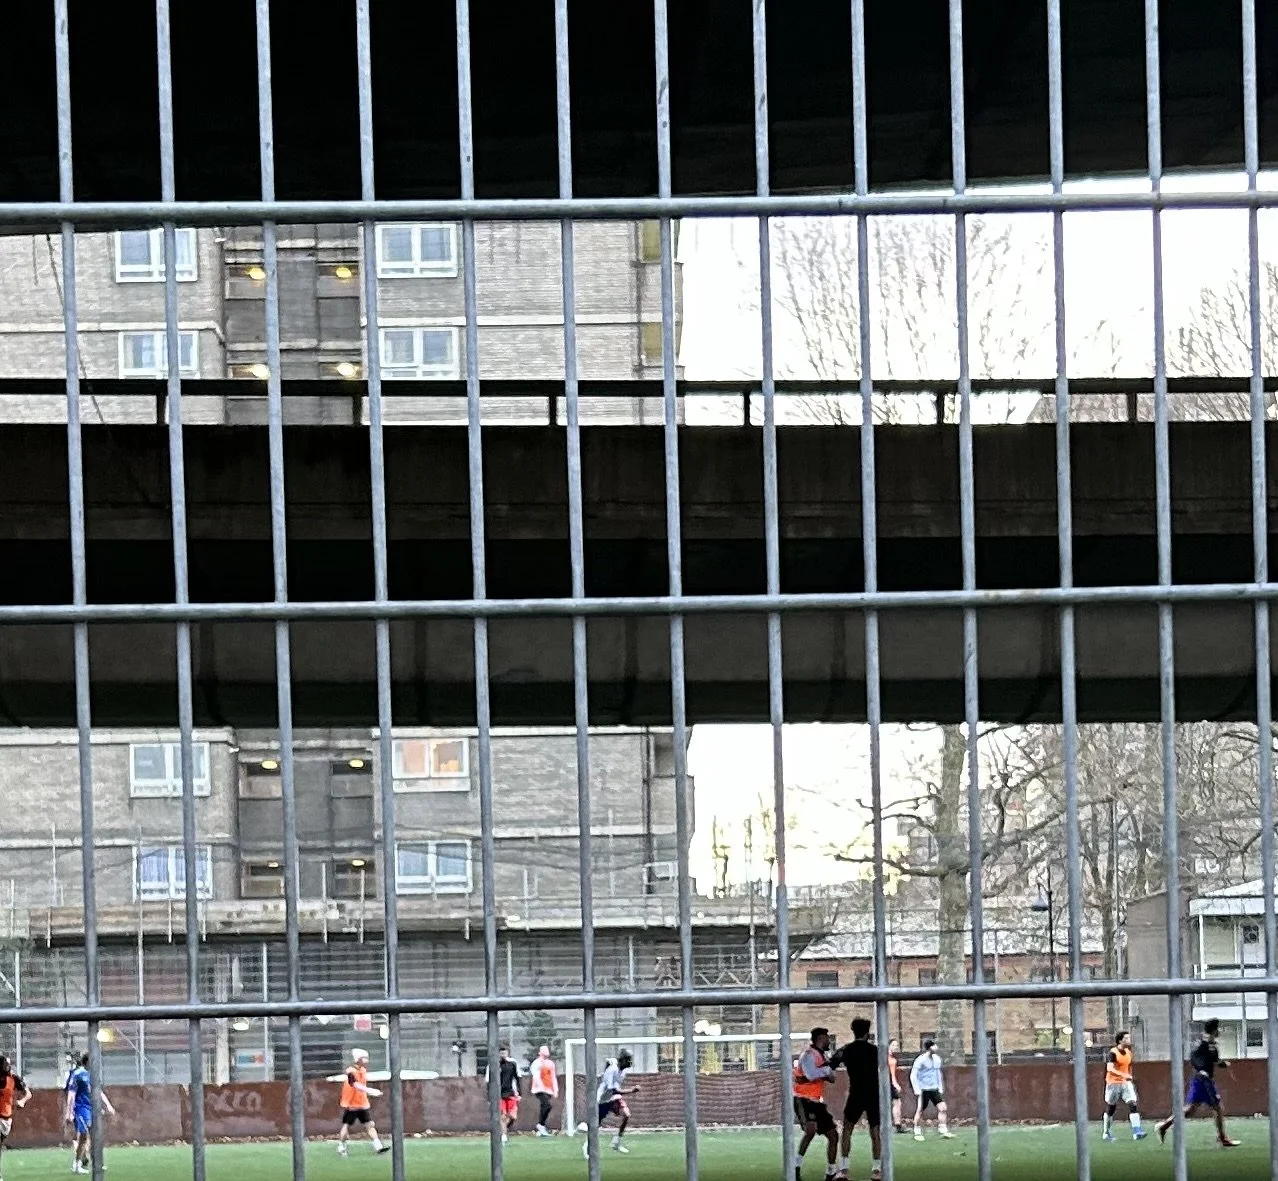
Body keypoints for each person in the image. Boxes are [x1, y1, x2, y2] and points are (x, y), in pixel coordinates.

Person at [1157, 1018, 1239, 1148]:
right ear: (1213, 1030)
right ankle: (1222, 1138)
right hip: (1202, 1080)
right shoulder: (1201, 1044)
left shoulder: (1213, 1046)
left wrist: (1224, 1064)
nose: (1220, 1031)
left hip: (1203, 1080)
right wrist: (1201, 1070)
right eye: (1218, 1029)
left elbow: (1214, 1061)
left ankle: (1164, 1126)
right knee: (1217, 1108)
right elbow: (1194, 1058)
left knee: (1190, 1109)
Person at [835, 1018, 883, 1181]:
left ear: (853, 1031)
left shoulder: (846, 1050)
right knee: (875, 1131)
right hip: (873, 1094)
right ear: (868, 1033)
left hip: (856, 1093)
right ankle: (876, 1170)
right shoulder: (875, 1050)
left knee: (847, 1129)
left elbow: (832, 1062)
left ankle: (844, 1169)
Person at [792, 1027, 839, 1180]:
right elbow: (811, 1075)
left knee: (833, 1135)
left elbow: (833, 1078)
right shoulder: (808, 1055)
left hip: (817, 1101)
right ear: (820, 1039)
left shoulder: (823, 1056)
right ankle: (795, 1166)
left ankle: (831, 1171)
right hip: (803, 1099)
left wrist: (827, 1070)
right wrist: (826, 1070)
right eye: (826, 1037)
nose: (829, 1040)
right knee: (811, 1130)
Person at [65, 1052, 116, 1175]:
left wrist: (108, 1105)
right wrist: (69, 1112)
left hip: (92, 1109)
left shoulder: (93, 1075)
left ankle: (96, 1164)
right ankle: (77, 1165)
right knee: (83, 1136)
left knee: (94, 1137)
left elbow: (99, 1092)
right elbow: (71, 1094)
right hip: (81, 1108)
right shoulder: (77, 1074)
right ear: (88, 1061)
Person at [583, 1050, 638, 1157]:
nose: (630, 1062)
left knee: (626, 1115)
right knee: (595, 1126)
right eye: (628, 1059)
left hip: (614, 1098)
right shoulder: (612, 1070)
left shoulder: (623, 1071)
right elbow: (613, 1090)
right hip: (603, 1099)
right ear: (623, 1060)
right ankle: (587, 1147)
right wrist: (632, 1090)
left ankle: (616, 1142)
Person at [337, 1048, 390, 1156]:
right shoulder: (350, 1071)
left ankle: (378, 1146)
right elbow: (354, 1084)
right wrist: (369, 1090)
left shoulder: (363, 1071)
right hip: (352, 1104)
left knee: (369, 1125)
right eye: (364, 1058)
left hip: (361, 1103)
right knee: (347, 1126)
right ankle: (341, 1146)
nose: (366, 1061)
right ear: (358, 1059)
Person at [1102, 1030, 1145, 1142]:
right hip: (1113, 1084)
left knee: (1133, 1104)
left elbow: (1127, 1066)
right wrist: (1124, 1074)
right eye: (1126, 1038)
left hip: (1125, 1083)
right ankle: (1106, 1132)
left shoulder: (1129, 1053)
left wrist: (1128, 1076)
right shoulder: (1113, 1053)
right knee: (1111, 1108)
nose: (1128, 1040)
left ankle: (1137, 1132)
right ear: (1120, 1040)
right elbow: (1110, 1068)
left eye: (1129, 1038)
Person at [909, 1040, 952, 1140]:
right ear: (929, 1048)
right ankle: (917, 1131)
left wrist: (940, 1087)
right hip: (923, 1089)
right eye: (934, 1046)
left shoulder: (937, 1059)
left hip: (934, 1088)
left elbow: (938, 1074)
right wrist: (917, 1089)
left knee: (943, 1108)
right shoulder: (921, 1060)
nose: (936, 1047)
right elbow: (913, 1075)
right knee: (920, 1111)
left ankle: (943, 1129)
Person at [0, 1055, 31, 1181]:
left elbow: (28, 1093)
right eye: (5, 1064)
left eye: (9, 1064)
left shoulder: (13, 1078)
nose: (8, 1067)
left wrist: (22, 1101)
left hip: (6, 1116)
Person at [486, 1046, 523, 1144]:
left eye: (504, 1053)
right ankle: (503, 1135)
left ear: (507, 1053)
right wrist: (489, 1096)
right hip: (499, 1095)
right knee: (502, 1116)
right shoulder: (493, 1065)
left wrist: (519, 1092)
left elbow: (517, 1078)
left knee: (512, 1116)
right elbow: (489, 1082)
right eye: (501, 1053)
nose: (503, 1055)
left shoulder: (512, 1064)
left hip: (511, 1093)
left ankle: (504, 1129)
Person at [530, 1045, 559, 1137]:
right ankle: (541, 1125)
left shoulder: (550, 1063)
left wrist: (555, 1089)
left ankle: (541, 1128)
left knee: (545, 1106)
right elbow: (535, 1076)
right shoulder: (536, 1063)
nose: (547, 1051)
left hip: (548, 1089)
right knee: (547, 1105)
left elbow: (553, 1077)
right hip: (539, 1089)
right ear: (540, 1052)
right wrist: (541, 1087)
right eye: (544, 1050)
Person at [886, 1038, 904, 1134]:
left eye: (896, 1046)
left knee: (896, 1103)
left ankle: (898, 1125)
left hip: (888, 1082)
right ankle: (897, 1126)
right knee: (895, 1103)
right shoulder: (889, 1059)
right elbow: (891, 1074)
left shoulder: (892, 1059)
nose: (895, 1047)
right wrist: (895, 1084)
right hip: (887, 1083)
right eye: (893, 1045)